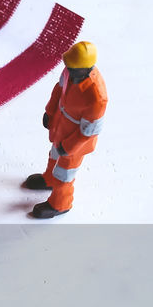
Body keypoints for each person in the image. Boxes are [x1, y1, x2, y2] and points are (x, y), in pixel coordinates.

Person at [23, 40, 109, 218]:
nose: (67, 69)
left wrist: (69, 146)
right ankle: (48, 178)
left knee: (64, 173)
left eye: (72, 67)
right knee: (54, 155)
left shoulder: (97, 96)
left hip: (76, 140)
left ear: (85, 68)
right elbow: (59, 89)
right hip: (61, 127)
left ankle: (60, 204)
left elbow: (89, 131)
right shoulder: (71, 70)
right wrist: (50, 111)